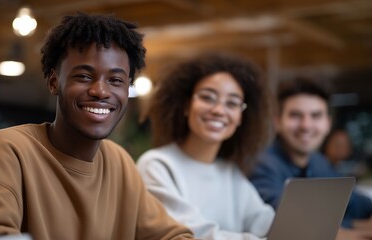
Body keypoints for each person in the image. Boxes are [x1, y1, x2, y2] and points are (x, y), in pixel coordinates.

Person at [0, 12, 194, 240]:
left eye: (116, 80)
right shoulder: (9, 149)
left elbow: (173, 235)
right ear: (55, 82)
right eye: (84, 76)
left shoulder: (118, 162)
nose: (100, 91)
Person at [137, 52, 275, 240]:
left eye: (232, 103)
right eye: (207, 97)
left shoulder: (229, 172)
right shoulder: (157, 165)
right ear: (186, 105)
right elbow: (189, 234)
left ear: (241, 117)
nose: (219, 110)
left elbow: (267, 223)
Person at [249, 76, 372, 240]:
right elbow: (292, 222)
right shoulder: (262, 164)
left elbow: (354, 202)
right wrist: (357, 229)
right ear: (277, 122)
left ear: (328, 123)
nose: (306, 125)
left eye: (316, 115)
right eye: (295, 115)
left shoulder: (319, 162)